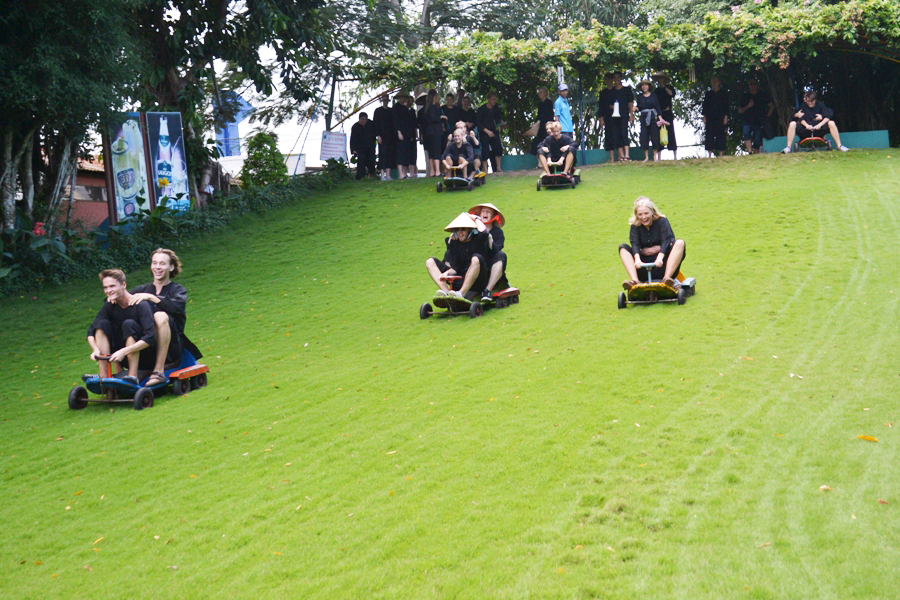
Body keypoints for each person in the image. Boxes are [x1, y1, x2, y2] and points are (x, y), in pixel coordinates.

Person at [128, 248, 202, 385]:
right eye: (154, 263)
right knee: (124, 323)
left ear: (171, 267)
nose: (157, 267)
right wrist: (114, 295)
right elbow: (123, 301)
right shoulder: (142, 289)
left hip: (172, 348)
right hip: (146, 346)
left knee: (160, 316)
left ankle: (159, 372)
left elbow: (175, 307)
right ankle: (123, 373)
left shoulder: (178, 290)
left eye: (162, 263)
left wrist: (152, 298)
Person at [87, 269, 158, 384]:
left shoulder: (141, 305)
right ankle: (103, 378)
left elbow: (150, 338)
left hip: (146, 356)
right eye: (105, 287)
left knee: (128, 324)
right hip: (122, 357)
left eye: (112, 286)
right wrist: (95, 350)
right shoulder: (110, 305)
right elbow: (91, 332)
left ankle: (132, 377)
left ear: (124, 285)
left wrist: (123, 351)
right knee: (101, 325)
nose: (108, 291)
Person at [619, 197, 686, 291]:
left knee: (679, 243)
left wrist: (660, 257)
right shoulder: (635, 226)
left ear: (652, 212)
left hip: (663, 264)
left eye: (646, 213)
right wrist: (637, 259)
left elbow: (667, 240)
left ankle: (667, 279)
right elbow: (635, 243)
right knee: (623, 248)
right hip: (644, 266)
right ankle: (635, 281)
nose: (643, 217)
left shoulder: (662, 221)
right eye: (640, 214)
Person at [425, 213, 492, 299]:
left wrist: (476, 218)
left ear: (469, 230)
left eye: (463, 229)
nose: (460, 232)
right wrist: (446, 274)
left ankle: (462, 293)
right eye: (457, 229)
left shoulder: (478, 239)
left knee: (476, 258)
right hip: (460, 278)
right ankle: (446, 293)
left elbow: (484, 233)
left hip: (478, 280)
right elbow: (456, 267)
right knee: (430, 261)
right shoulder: (455, 243)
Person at [782, 90, 850, 153]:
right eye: (808, 101)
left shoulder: (820, 105)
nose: (810, 103)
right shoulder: (803, 105)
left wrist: (819, 125)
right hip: (806, 130)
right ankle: (788, 147)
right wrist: (807, 126)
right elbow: (801, 119)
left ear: (815, 100)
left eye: (812, 101)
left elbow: (827, 117)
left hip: (818, 130)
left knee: (831, 123)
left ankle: (839, 146)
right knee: (792, 123)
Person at [468, 202, 509, 301]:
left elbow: (496, 252)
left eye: (488, 212)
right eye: (483, 211)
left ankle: (487, 290)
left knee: (501, 255)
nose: (485, 213)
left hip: (491, 265)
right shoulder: (473, 232)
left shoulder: (498, 233)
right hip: (476, 264)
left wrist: (489, 239)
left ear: (493, 216)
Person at [738, 79, 774, 154]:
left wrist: (767, 116)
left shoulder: (762, 95)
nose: (752, 86)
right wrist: (748, 106)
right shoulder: (745, 96)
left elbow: (771, 106)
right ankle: (750, 153)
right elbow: (740, 110)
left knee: (757, 140)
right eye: (751, 84)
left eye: (754, 84)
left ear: (757, 85)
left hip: (759, 121)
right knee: (746, 135)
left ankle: (756, 155)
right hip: (747, 120)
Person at [635, 79, 668, 162]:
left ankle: (654, 156)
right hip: (643, 118)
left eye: (646, 85)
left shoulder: (654, 95)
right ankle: (646, 157)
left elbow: (657, 107)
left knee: (655, 136)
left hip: (653, 118)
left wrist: (661, 119)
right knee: (644, 137)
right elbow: (639, 107)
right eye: (643, 85)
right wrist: (635, 108)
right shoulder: (639, 97)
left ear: (649, 86)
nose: (644, 87)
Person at [609, 72, 634, 162]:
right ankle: (622, 156)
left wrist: (632, 114)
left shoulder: (627, 90)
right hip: (614, 117)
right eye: (615, 78)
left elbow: (631, 103)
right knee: (616, 135)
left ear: (621, 78)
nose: (616, 79)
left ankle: (627, 155)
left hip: (624, 115)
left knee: (624, 133)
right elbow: (609, 104)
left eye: (618, 77)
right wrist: (612, 106)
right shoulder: (612, 91)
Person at [702, 76, 729, 158]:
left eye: (716, 81)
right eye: (713, 81)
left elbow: (726, 106)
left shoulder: (723, 93)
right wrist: (704, 116)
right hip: (710, 117)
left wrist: (726, 116)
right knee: (709, 135)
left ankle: (720, 153)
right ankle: (709, 154)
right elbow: (705, 106)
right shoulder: (708, 94)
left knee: (720, 135)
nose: (714, 83)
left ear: (719, 82)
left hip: (720, 117)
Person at [477, 92, 504, 173]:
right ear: (488, 99)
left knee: (498, 148)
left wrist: (498, 126)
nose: (494, 101)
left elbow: (498, 120)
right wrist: (487, 131)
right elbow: (479, 123)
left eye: (495, 99)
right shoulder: (481, 109)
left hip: (494, 131)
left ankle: (498, 167)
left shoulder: (496, 109)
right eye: (493, 99)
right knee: (485, 151)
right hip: (484, 132)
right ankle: (485, 169)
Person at [652, 71, 677, 159]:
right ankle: (659, 157)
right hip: (660, 114)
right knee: (659, 134)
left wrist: (664, 87)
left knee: (671, 132)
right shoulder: (656, 91)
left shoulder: (670, 88)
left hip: (668, 113)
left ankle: (675, 156)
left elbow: (672, 94)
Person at [393, 92, 418, 178]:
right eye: (402, 97)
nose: (404, 99)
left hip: (406, 133)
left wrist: (410, 135)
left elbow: (408, 123)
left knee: (405, 153)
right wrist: (398, 132)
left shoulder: (405, 109)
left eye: (405, 97)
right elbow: (395, 121)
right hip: (400, 133)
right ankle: (401, 173)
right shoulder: (396, 108)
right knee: (400, 153)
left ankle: (404, 173)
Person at [372, 93, 396, 180]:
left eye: (386, 100)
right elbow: (375, 124)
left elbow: (393, 123)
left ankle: (388, 175)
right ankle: (382, 175)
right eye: (384, 100)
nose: (385, 102)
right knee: (382, 154)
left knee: (389, 155)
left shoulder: (391, 111)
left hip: (390, 136)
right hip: (382, 136)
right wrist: (378, 135)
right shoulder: (378, 111)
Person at [423, 90, 445, 177]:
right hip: (435, 132)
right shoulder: (433, 107)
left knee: (431, 152)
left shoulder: (427, 108)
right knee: (436, 151)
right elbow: (433, 119)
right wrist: (441, 117)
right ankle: (437, 171)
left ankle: (432, 171)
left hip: (429, 132)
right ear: (434, 97)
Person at [350, 112, 377, 179]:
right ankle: (361, 177)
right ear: (359, 119)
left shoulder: (370, 124)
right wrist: (353, 149)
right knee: (361, 162)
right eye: (362, 119)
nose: (364, 121)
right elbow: (352, 139)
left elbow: (375, 132)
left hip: (370, 147)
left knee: (371, 161)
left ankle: (372, 175)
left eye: (365, 119)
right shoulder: (355, 127)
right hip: (360, 148)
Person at [530, 87, 555, 156]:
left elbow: (544, 115)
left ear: (545, 93)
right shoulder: (540, 104)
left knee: (547, 144)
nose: (539, 94)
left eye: (541, 92)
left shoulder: (548, 102)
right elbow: (539, 116)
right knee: (536, 145)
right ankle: (540, 161)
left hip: (547, 126)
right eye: (539, 93)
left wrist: (537, 123)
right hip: (541, 127)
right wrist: (534, 124)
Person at [597, 73, 616, 157]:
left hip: (617, 116)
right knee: (609, 136)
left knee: (618, 135)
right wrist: (601, 119)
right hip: (607, 117)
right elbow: (601, 107)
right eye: (606, 79)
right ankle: (612, 158)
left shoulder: (616, 90)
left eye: (609, 79)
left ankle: (621, 156)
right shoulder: (603, 93)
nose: (608, 81)